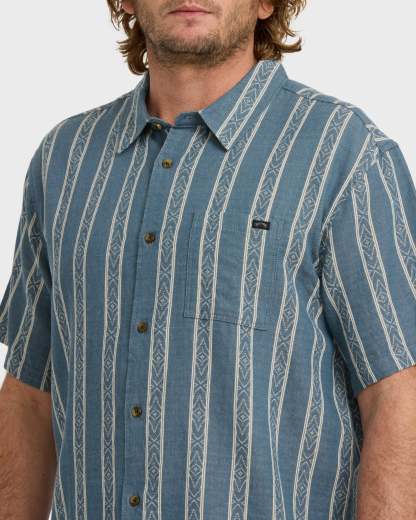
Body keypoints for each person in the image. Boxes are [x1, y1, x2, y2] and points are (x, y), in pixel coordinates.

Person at [0, 0, 415, 518]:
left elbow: (398, 398)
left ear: (266, 3)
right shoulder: (63, 162)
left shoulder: (346, 155)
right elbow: (29, 396)